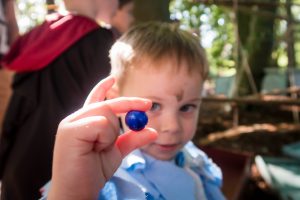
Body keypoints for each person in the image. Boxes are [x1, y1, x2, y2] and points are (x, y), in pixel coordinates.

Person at [44, 22, 226, 200]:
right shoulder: (106, 178)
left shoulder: (193, 158)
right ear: (115, 99)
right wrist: (70, 194)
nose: (172, 127)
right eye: (153, 106)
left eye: (186, 107)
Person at [0, 0, 118, 199]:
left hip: (18, 169)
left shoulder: (37, 36)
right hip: (61, 171)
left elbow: (16, 109)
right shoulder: (100, 42)